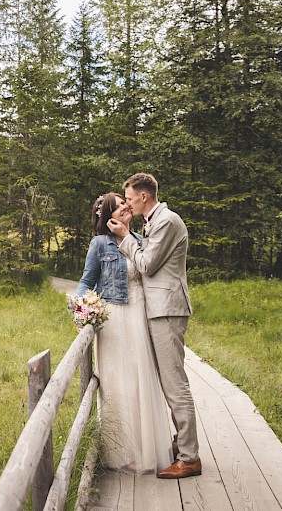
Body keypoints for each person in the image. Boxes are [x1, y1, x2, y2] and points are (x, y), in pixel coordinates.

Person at [107, 172, 201, 479]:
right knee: (168, 381)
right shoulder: (155, 221)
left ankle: (189, 458)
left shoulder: (166, 221)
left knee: (175, 384)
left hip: (167, 309)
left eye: (131, 198)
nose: (129, 204)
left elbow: (147, 265)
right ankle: (181, 445)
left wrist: (123, 238)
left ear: (144, 196)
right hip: (159, 309)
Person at [74, 192, 174, 474]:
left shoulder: (141, 241)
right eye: (119, 206)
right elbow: (86, 281)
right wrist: (81, 308)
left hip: (140, 316)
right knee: (118, 382)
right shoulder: (99, 244)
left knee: (142, 378)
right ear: (109, 216)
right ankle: (121, 452)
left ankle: (146, 450)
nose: (126, 206)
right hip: (115, 319)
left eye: (126, 202)